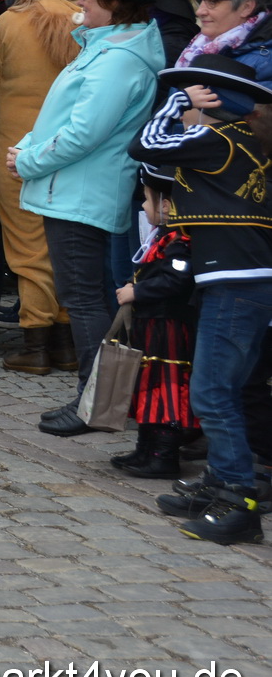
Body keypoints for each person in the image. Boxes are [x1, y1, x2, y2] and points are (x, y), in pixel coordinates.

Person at [7, 0, 162, 437]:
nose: (81, 0)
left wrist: (30, 160)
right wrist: (30, 147)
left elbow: (83, 133)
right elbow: (66, 119)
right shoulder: (108, 49)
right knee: (85, 294)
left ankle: (92, 402)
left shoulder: (118, 60)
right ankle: (93, 398)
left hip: (81, 191)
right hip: (74, 187)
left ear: (114, 5)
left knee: (84, 298)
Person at [128, 56, 272, 545]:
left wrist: (175, 102)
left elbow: (143, 143)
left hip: (237, 282)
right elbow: (154, 162)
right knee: (224, 389)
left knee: (213, 392)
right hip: (239, 280)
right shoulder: (235, 144)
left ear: (211, 100)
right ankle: (219, 484)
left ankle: (238, 500)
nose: (181, 106)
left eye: (191, 96)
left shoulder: (221, 141)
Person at [0, 0, 85, 373]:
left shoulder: (11, 21)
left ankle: (36, 340)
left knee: (25, 243)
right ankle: (64, 340)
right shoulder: (89, 23)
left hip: (14, 141)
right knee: (64, 240)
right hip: (73, 143)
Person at [107, 170, 198, 479]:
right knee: (146, 387)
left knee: (165, 391)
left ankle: (163, 455)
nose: (143, 207)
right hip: (152, 326)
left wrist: (138, 291)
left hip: (167, 330)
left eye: (147, 200)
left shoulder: (180, 240)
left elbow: (177, 279)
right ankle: (145, 448)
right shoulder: (165, 235)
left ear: (167, 205)